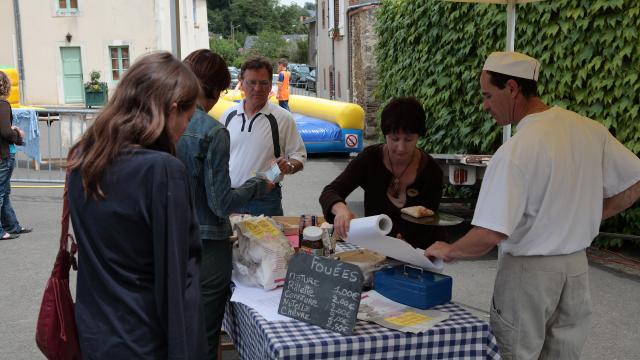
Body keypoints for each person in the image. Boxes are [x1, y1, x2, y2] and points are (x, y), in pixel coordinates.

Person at [425, 51, 640, 359]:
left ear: (512, 88)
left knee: (516, 354)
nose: (484, 105)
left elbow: (489, 234)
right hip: (576, 267)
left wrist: (449, 250)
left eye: (488, 95)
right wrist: (594, 213)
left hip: (528, 274)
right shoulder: (590, 130)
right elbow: (636, 180)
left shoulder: (517, 150)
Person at [67, 52, 207, 359]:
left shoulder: (83, 160)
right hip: (145, 342)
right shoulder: (162, 172)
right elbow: (176, 284)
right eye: (188, 115)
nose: (186, 125)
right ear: (172, 109)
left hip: (95, 336)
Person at [176, 49, 273, 359]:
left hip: (170, 240)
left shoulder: (166, 120)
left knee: (174, 329)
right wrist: (259, 184)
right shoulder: (213, 130)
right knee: (204, 337)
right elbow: (220, 204)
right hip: (207, 247)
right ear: (219, 88)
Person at [319, 97, 445, 249]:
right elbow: (330, 191)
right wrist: (340, 210)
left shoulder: (431, 172)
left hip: (417, 253)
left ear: (419, 136)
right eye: (394, 139)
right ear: (385, 134)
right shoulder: (370, 159)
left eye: (409, 139)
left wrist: (408, 244)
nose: (401, 147)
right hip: (374, 248)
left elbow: (429, 222)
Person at [222, 56, 307, 216]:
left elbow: (299, 157)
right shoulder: (228, 116)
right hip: (230, 198)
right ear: (241, 83)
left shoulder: (283, 118)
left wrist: (287, 167)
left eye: (263, 83)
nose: (257, 88)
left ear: (270, 86)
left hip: (265, 200)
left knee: (267, 242)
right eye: (252, 82)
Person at [0, 71, 31, 240]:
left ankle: (12, 226)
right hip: (4, 154)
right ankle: (4, 229)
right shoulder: (3, 105)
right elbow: (5, 132)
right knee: (1, 193)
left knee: (4, 192)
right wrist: (17, 133)